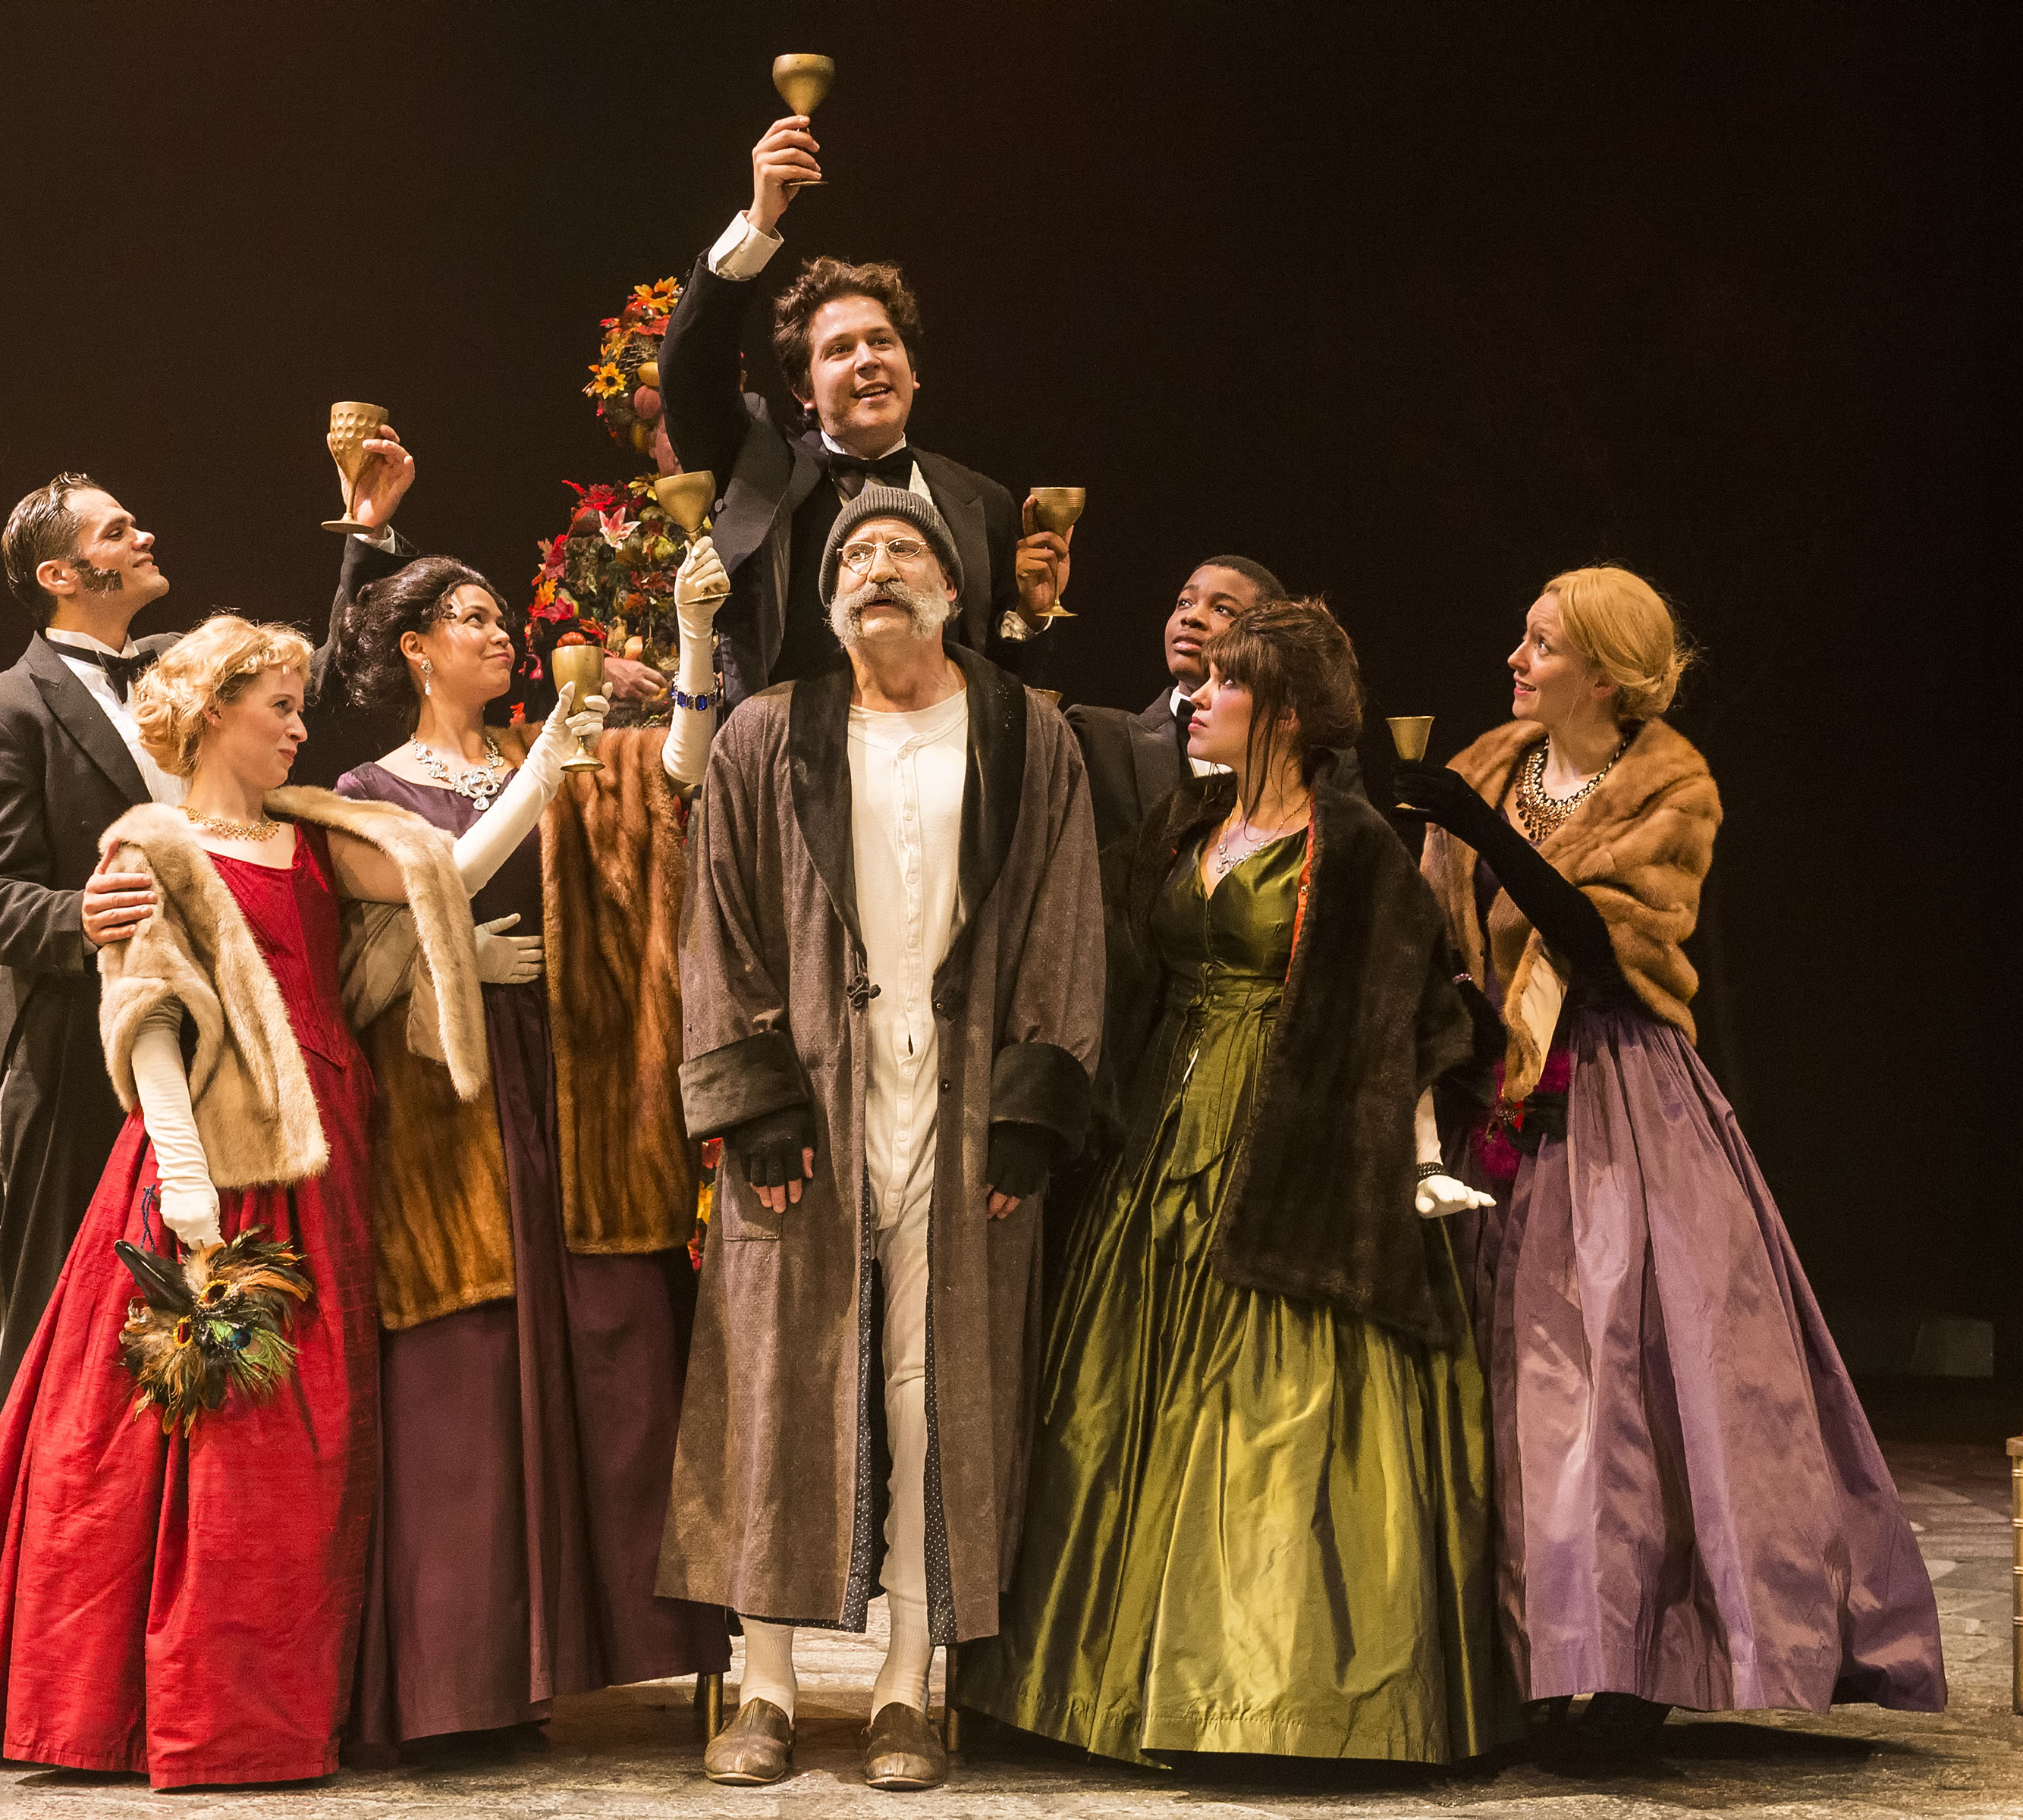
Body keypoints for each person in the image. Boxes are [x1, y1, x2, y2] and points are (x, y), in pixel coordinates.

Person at [0, 613, 602, 1787]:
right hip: (213, 1168)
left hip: (325, 1159)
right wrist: (184, 1178)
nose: (298, 729)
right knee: (192, 1441)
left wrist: (544, 764)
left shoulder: (312, 836)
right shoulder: (155, 846)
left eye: (297, 707)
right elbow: (146, 1013)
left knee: (308, 1451)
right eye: (278, 708)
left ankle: (280, 1703)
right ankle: (166, 1710)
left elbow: (443, 876)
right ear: (211, 710)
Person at [1393, 565, 1946, 1750]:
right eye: (1522, 638)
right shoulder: (1488, 762)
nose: (1515, 660)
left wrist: (1478, 830)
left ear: (1603, 673)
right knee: (1518, 1388)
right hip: (1494, 1098)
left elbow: (1603, 948)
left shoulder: (1668, 784)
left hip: (1615, 1091)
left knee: (1623, 1375)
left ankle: (1631, 1665)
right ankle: (1525, 1661)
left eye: (1543, 645)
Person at [961, 598, 1511, 1768]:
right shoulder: (1187, 823)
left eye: (1225, 684)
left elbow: (1404, 1020)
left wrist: (1411, 1164)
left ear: (1288, 715)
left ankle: (1267, 1692)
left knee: (1273, 1406)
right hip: (1165, 1134)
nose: (1196, 699)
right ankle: (1101, 1685)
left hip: (1293, 1140)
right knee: (1125, 1397)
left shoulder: (1350, 847)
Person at [661, 489, 1103, 1791]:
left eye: (903, 550)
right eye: (852, 555)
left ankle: (908, 1685)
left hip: (958, 1113)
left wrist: (1031, 1110)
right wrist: (753, 1098)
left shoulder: (1027, 734)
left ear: (954, 590)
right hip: (811, 1103)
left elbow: (1066, 920)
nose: (875, 569)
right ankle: (770, 1686)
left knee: (931, 1388)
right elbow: (719, 919)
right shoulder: (766, 733)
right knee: (781, 1380)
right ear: (828, 601)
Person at [328, 532, 733, 1743]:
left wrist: (695, 634)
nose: (500, 632)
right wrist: (464, 950)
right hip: (449, 1101)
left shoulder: (547, 750)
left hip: (571, 1087)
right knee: (471, 1370)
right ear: (416, 649)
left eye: (505, 616)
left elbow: (676, 773)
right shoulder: (367, 789)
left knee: (607, 1343)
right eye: (471, 617)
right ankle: (463, 1683)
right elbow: (439, 883)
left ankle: (599, 1649)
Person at [0, 447, 410, 1467]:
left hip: (223, 1052)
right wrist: (81, 915)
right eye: (114, 531)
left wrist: (366, 536)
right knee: (56, 1321)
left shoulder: (179, 671)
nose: (143, 535)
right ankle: (23, 1535)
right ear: (59, 575)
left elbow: (314, 681)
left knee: (216, 1308)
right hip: (77, 1058)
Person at [658, 112, 1072, 708]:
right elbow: (689, 369)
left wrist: (1032, 617)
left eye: (882, 342)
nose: (868, 360)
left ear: (913, 372)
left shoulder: (985, 503)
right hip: (788, 757)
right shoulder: (756, 468)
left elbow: (1001, 680)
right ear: (803, 390)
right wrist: (759, 222)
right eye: (839, 350)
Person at [1063, 556, 1290, 852]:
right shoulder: (1096, 739)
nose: (1192, 617)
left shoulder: (1312, 765)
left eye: (1222, 609)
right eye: (1184, 602)